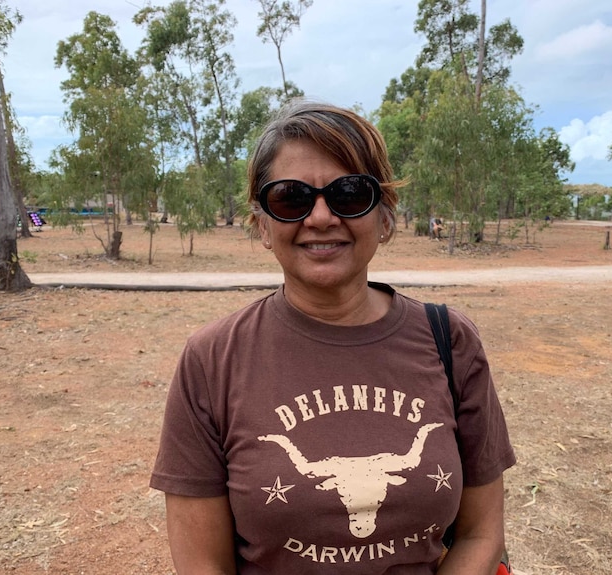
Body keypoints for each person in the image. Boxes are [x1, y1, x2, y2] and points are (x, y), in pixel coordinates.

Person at [150, 99, 516, 574]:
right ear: (262, 223)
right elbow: (203, 566)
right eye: (290, 198)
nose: (320, 217)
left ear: (385, 218)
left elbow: (481, 533)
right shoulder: (213, 358)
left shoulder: (451, 341)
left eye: (349, 194)